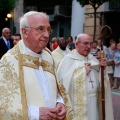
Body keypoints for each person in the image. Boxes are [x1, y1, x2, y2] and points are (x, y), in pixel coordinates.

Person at [0, 11, 73, 120]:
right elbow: (4, 104)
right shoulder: (10, 60)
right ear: (24, 32)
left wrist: (60, 102)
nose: (47, 35)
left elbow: (56, 88)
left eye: (48, 30)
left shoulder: (48, 55)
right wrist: (35, 113)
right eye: (40, 29)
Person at [57, 33, 114, 120]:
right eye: (85, 43)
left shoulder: (93, 60)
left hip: (93, 102)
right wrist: (82, 72)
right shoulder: (68, 60)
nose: (88, 46)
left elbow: (101, 85)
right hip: (76, 105)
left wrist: (103, 70)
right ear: (76, 44)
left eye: (90, 44)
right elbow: (62, 85)